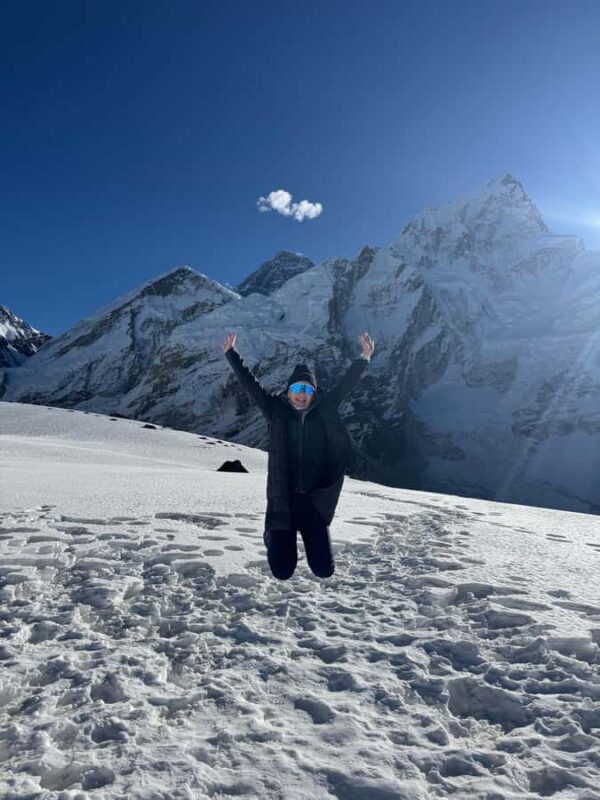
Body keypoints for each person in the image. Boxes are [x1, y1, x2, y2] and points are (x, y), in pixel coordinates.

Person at [222, 331, 374, 580]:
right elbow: (251, 385)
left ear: (313, 392)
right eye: (296, 388)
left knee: (325, 570)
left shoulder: (324, 409)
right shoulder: (275, 411)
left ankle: (309, 541)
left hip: (314, 503)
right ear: (288, 390)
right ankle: (272, 536)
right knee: (282, 571)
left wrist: (364, 358)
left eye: (306, 388)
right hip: (284, 502)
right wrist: (231, 354)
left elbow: (345, 386)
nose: (301, 393)